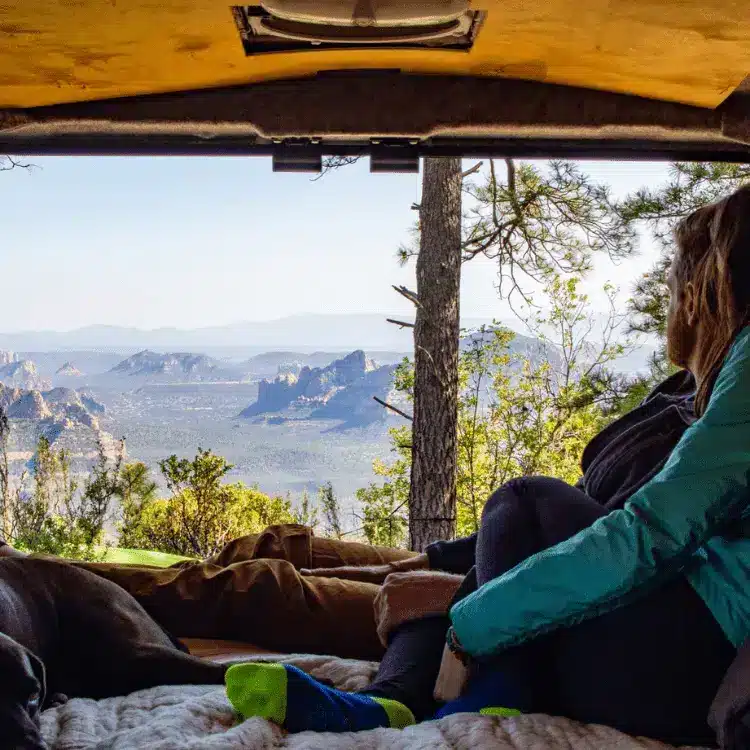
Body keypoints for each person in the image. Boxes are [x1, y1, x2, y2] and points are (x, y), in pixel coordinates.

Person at [224, 186, 750, 747]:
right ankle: (390, 704)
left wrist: (471, 625)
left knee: (522, 504)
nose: (665, 293)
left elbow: (645, 534)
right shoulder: (692, 395)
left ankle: (486, 695)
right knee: (452, 582)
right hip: (664, 638)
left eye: (672, 278)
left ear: (706, 288)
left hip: (680, 666)